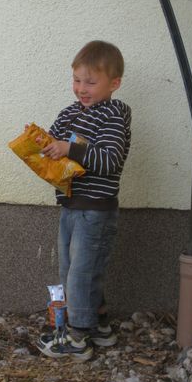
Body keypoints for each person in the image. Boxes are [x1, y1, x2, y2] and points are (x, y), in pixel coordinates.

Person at [36, 40, 131, 359]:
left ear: (114, 83)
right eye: (77, 80)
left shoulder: (115, 115)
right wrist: (41, 144)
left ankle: (77, 338)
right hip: (71, 205)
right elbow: (53, 143)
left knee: (81, 273)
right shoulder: (69, 114)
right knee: (73, 268)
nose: (81, 88)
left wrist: (69, 149)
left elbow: (110, 160)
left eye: (91, 82)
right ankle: (99, 324)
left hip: (97, 211)